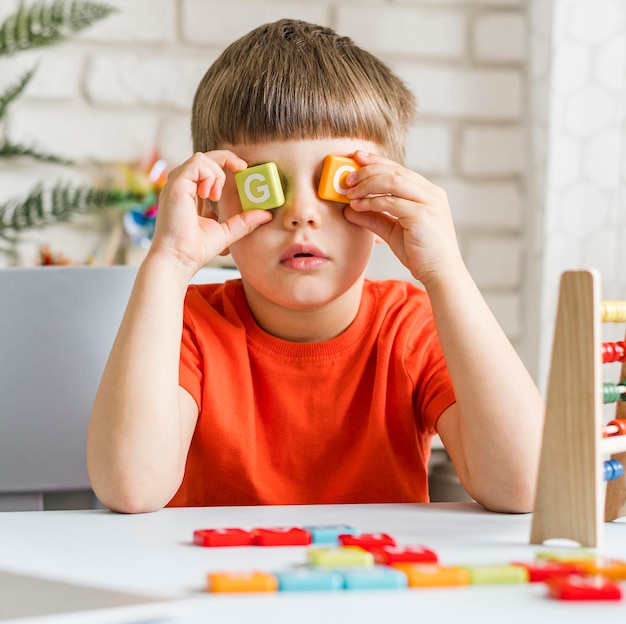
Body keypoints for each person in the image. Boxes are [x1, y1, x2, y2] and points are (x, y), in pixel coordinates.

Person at [87, 19, 544, 514]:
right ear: (210, 205)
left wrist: (447, 272)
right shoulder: (188, 326)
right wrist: (169, 263)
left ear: (385, 196)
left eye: (337, 183)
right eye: (268, 185)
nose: (301, 213)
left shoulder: (411, 327)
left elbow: (527, 484)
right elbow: (131, 488)